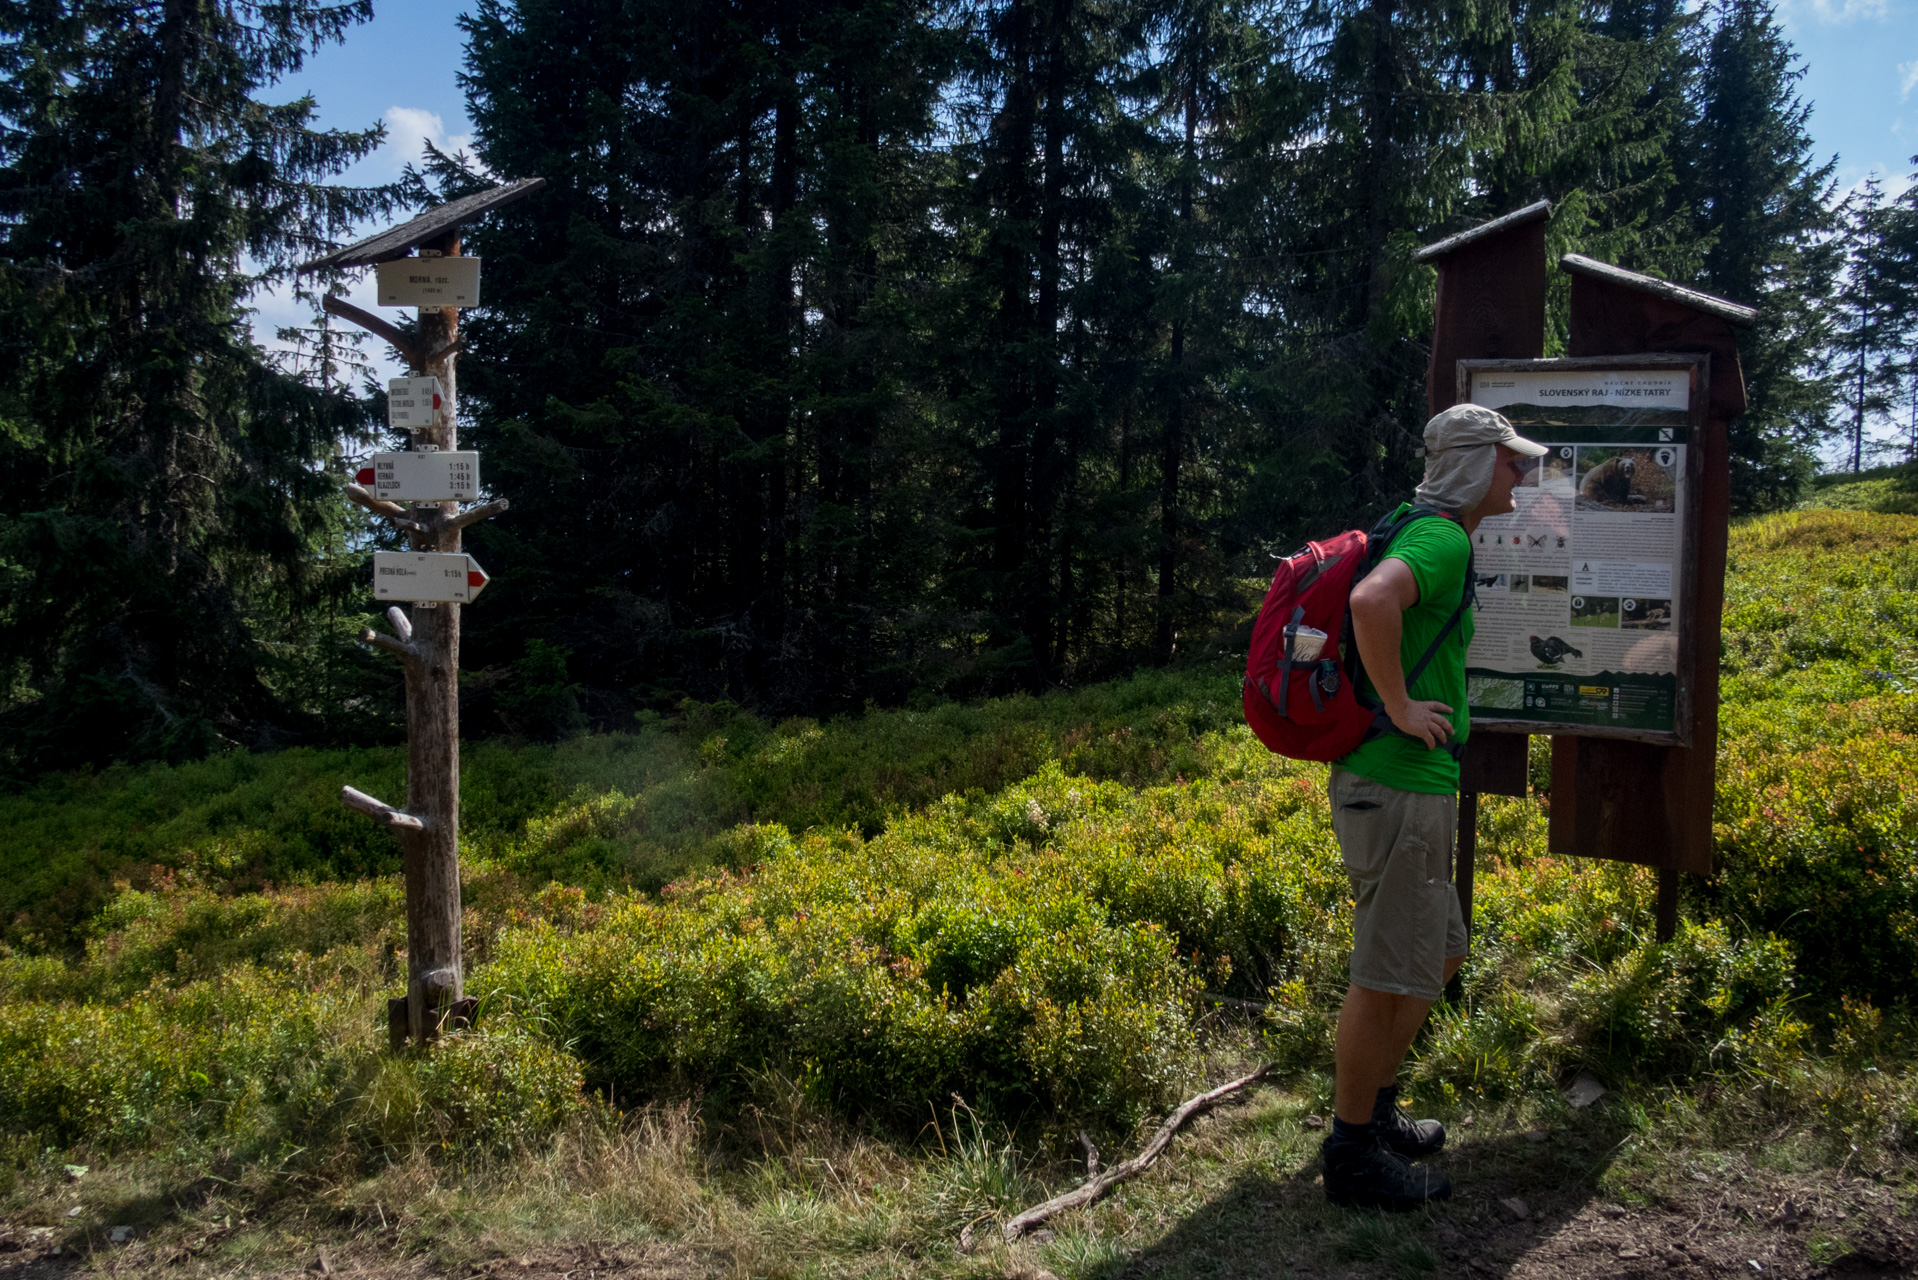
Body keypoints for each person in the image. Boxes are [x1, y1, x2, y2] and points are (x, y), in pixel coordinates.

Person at [1320, 403, 1547, 1211]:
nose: (1520, 472)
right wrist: (1404, 705)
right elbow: (1371, 602)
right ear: (1473, 465)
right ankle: (1350, 1155)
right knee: (1383, 977)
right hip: (1397, 784)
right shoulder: (1443, 537)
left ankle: (1373, 1109)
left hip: (1402, 788)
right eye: (1510, 460)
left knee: (1439, 950)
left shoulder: (1422, 526)